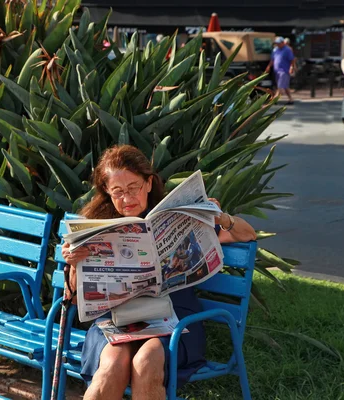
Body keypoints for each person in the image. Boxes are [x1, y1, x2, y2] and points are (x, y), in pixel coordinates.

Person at [62, 145, 257, 400]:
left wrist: (220, 217)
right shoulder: (93, 230)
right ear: (107, 192)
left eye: (134, 187)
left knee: (147, 359)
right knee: (112, 362)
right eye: (117, 191)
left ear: (149, 183)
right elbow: (74, 300)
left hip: (176, 320)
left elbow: (248, 234)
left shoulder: (179, 216)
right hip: (118, 320)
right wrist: (75, 264)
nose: (127, 198)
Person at [266, 36, 295, 105]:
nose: (277, 44)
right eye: (276, 43)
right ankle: (291, 99)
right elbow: (272, 59)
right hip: (276, 71)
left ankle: (274, 100)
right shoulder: (275, 50)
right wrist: (269, 66)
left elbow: (292, 60)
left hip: (284, 70)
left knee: (280, 86)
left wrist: (291, 67)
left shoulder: (287, 50)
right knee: (285, 86)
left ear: (283, 43)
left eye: (279, 43)